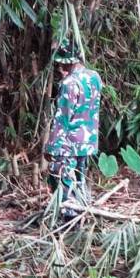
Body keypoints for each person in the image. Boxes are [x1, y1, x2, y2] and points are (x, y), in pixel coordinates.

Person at [44, 39, 102, 220]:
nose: (60, 68)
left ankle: (68, 218)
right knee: (79, 178)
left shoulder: (69, 83)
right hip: (88, 141)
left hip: (69, 143)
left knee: (62, 179)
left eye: (61, 64)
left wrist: (51, 147)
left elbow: (62, 119)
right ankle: (81, 212)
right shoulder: (94, 77)